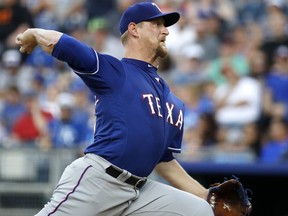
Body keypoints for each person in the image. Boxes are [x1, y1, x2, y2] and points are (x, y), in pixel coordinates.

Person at [16, 2, 213, 216]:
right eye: (156, 24)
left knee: (199, 210)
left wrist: (205, 195)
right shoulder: (116, 72)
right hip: (99, 181)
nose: (165, 30)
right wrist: (34, 33)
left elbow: (164, 160)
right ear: (134, 29)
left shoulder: (172, 101)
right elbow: (68, 46)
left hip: (139, 192)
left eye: (164, 26)